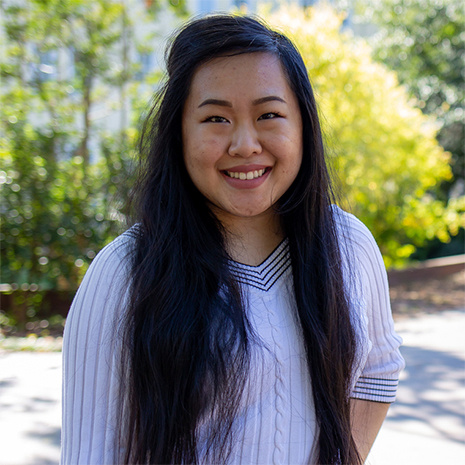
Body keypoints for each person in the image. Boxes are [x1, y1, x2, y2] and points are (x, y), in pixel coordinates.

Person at [61, 14, 405, 465]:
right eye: (216, 118)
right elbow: (93, 453)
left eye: (269, 115)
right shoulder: (126, 270)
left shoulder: (348, 245)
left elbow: (377, 371)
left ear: (303, 127)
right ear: (179, 134)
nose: (245, 144)